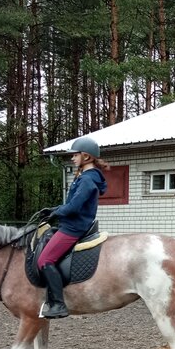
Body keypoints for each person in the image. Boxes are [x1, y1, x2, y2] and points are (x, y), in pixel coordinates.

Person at [35, 136, 108, 319]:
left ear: (86, 157)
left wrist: (56, 213)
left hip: (74, 227)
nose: (72, 158)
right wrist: (54, 210)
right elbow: (73, 203)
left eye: (75, 155)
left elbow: (74, 207)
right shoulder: (86, 177)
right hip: (73, 223)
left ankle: (59, 305)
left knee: (44, 260)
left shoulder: (87, 180)